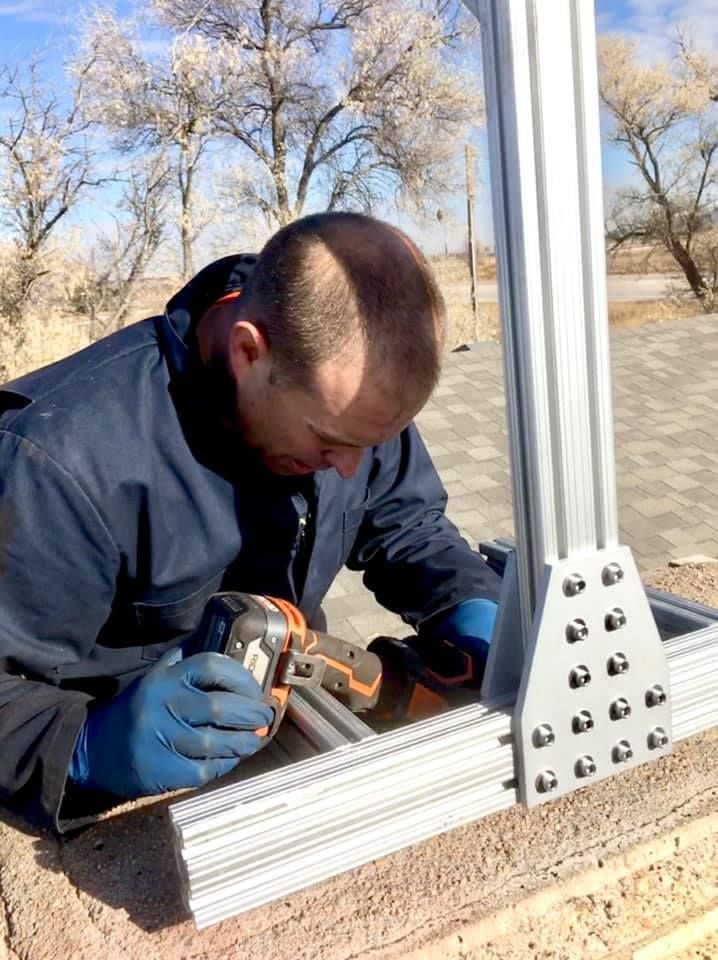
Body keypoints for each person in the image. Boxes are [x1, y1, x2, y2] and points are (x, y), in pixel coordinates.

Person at [0, 211, 500, 833]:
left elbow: (407, 525)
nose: (351, 467)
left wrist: (474, 603)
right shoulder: (57, 462)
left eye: (370, 442)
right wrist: (84, 749)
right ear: (247, 352)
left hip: (278, 725)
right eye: (328, 440)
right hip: (131, 785)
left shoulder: (347, 389)